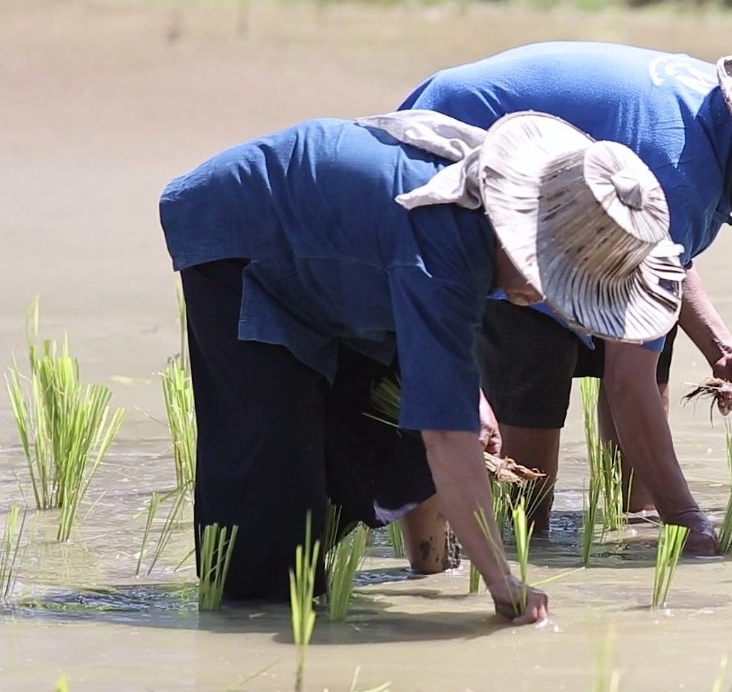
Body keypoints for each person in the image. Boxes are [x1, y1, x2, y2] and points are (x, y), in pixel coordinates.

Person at [158, 108, 685, 622]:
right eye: (547, 277)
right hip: (241, 239)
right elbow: (447, 439)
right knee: (272, 473)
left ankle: (321, 588)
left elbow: (441, 374)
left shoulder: (471, 235)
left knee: (377, 444)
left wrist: (467, 395)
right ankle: (251, 620)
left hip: (344, 266)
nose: (537, 296)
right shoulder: (443, 249)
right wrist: (504, 585)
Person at [397, 42, 732, 555]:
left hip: (572, 208)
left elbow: (664, 259)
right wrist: (687, 518)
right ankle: (508, 552)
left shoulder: (715, 140)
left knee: (636, 491)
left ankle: (630, 528)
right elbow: (626, 379)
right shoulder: (678, 167)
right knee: (529, 501)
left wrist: (720, 345)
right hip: (475, 173)